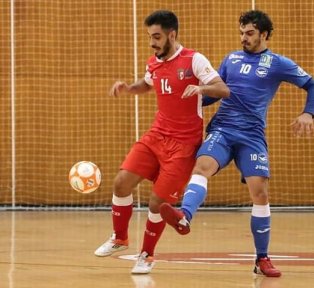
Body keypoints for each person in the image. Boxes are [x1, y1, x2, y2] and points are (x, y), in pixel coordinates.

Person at [160, 9, 314, 278]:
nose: (244, 38)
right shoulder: (231, 59)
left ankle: (262, 258)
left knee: (260, 192)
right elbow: (216, 91)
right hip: (223, 128)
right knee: (202, 166)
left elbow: (312, 84)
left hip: (252, 136)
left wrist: (308, 113)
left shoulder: (278, 63)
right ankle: (184, 215)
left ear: (264, 34)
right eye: (241, 33)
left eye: (250, 33)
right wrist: (192, 96)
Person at [94, 10, 230, 274]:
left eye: (156, 37)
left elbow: (223, 89)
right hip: (156, 136)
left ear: (172, 34)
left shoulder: (194, 60)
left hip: (183, 145)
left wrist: (201, 89)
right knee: (121, 182)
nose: (152, 43)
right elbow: (147, 84)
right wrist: (128, 88)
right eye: (149, 37)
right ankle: (119, 238)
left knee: (158, 203)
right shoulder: (153, 62)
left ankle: (147, 254)